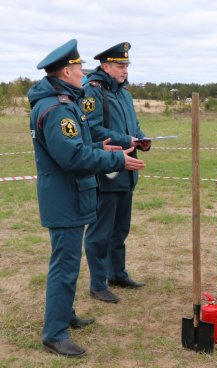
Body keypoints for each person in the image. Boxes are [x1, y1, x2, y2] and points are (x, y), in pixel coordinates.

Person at [28, 39, 145, 357]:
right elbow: (73, 157)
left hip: (70, 195)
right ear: (66, 71)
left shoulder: (64, 102)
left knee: (67, 263)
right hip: (65, 197)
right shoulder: (56, 109)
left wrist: (103, 148)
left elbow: (80, 145)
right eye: (79, 67)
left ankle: (65, 315)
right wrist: (117, 160)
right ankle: (54, 332)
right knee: (64, 265)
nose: (83, 72)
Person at [81, 42, 151, 304]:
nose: (125, 70)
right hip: (106, 169)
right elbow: (92, 131)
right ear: (105, 66)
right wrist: (125, 139)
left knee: (120, 229)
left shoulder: (125, 94)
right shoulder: (93, 92)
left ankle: (117, 274)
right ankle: (98, 284)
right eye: (120, 65)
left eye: (126, 65)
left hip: (126, 170)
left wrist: (142, 139)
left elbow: (135, 125)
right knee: (101, 231)